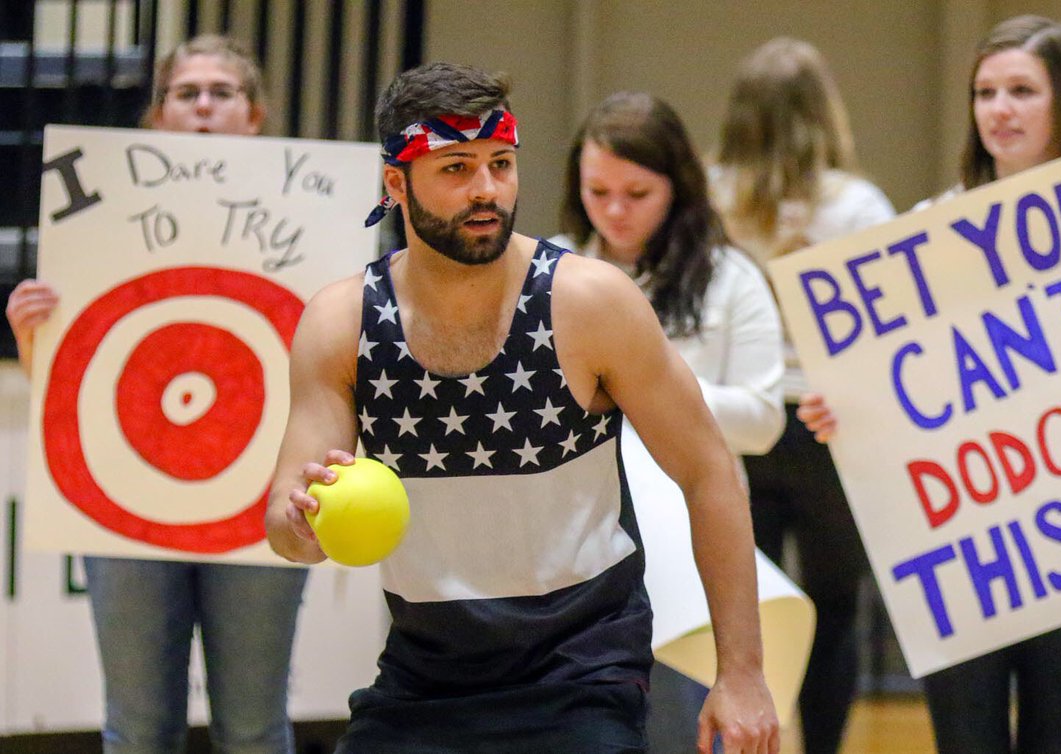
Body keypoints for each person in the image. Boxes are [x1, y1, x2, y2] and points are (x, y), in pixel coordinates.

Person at [265, 61, 779, 754]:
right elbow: (289, 528)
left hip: (582, 670)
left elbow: (709, 472)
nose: (486, 190)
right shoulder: (341, 323)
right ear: (396, 182)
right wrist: (301, 519)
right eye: (455, 168)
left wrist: (742, 674)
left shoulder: (590, 303)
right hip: (425, 675)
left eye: (500, 163)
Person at [800, 15, 1061, 754]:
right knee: (965, 743)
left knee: (1056, 742)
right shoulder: (929, 230)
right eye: (985, 92)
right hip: (963, 543)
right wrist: (842, 403)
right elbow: (896, 383)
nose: (999, 109)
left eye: (1022, 91)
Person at [5, 35, 309, 754]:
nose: (204, 106)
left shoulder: (306, 212)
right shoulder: (97, 216)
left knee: (255, 729)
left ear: (255, 115)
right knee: (138, 730)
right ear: (158, 114)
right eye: (187, 92)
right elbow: (67, 373)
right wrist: (32, 336)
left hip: (259, 494)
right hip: (128, 504)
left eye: (222, 92)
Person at [554, 90, 785, 753]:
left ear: (678, 188)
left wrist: (650, 385)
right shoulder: (553, 267)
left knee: (683, 729)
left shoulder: (729, 276)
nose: (616, 211)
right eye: (598, 192)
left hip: (690, 552)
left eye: (638, 193)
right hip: (577, 553)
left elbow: (764, 419)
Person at [707, 36, 895, 754]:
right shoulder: (859, 205)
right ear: (826, 112)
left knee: (736, 609)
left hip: (735, 423)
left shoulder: (707, 195)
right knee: (833, 608)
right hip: (830, 425)